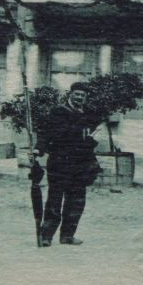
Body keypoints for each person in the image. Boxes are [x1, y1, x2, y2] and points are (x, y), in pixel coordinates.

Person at [34, 81, 100, 247]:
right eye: (76, 94)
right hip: (59, 162)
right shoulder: (58, 112)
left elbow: (90, 136)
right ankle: (46, 236)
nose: (79, 97)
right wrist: (38, 149)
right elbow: (45, 132)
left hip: (80, 165)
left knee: (76, 201)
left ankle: (67, 236)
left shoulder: (88, 115)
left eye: (83, 95)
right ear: (70, 94)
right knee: (54, 200)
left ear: (86, 98)